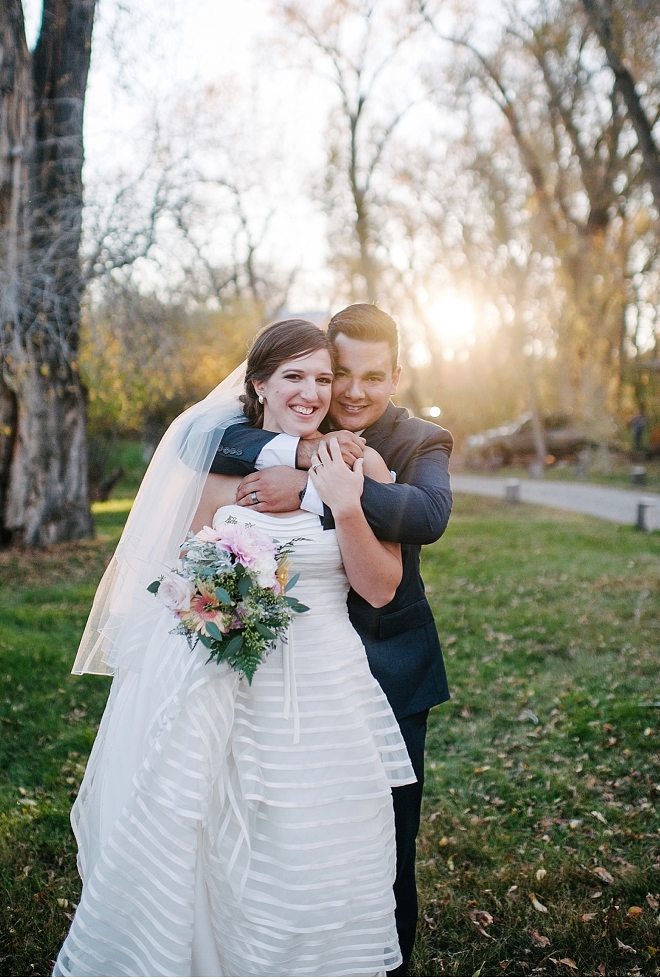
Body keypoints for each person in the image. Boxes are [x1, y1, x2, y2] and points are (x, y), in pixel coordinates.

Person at [53, 319, 417, 978]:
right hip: (233, 687)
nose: (310, 393)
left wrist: (346, 504)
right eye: (293, 378)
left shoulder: (361, 463)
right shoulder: (221, 471)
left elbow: (382, 587)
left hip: (330, 682)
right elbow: (177, 584)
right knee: (228, 848)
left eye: (322, 378)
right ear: (260, 385)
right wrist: (220, 605)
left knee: (329, 844)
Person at [210, 303, 453, 974]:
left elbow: (426, 515)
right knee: (275, 838)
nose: (347, 391)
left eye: (370, 378)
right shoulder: (274, 433)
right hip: (282, 674)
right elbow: (208, 444)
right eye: (337, 371)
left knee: (384, 848)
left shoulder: (416, 442)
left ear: (395, 379)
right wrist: (299, 450)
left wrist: (319, 484)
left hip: (390, 667)